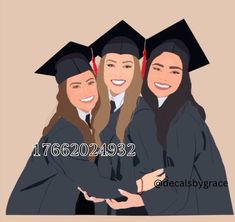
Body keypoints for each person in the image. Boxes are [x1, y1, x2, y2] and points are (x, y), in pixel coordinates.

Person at [6, 41, 159, 215]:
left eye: (89, 82)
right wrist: (140, 185)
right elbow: (94, 185)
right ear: (64, 93)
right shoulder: (65, 131)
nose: (86, 91)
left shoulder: (88, 121)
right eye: (76, 86)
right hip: (36, 210)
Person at [106, 19, 233, 215]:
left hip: (199, 209)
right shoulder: (146, 109)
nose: (164, 78)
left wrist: (139, 198)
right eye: (157, 68)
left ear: (183, 78)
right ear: (146, 69)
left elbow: (177, 184)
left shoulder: (185, 120)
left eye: (175, 71)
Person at [81, 20, 165, 215]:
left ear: (137, 71)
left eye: (127, 66)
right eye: (111, 64)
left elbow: (158, 173)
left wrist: (141, 197)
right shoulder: (93, 111)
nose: (118, 73)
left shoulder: (143, 114)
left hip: (130, 208)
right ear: (100, 69)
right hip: (100, 209)